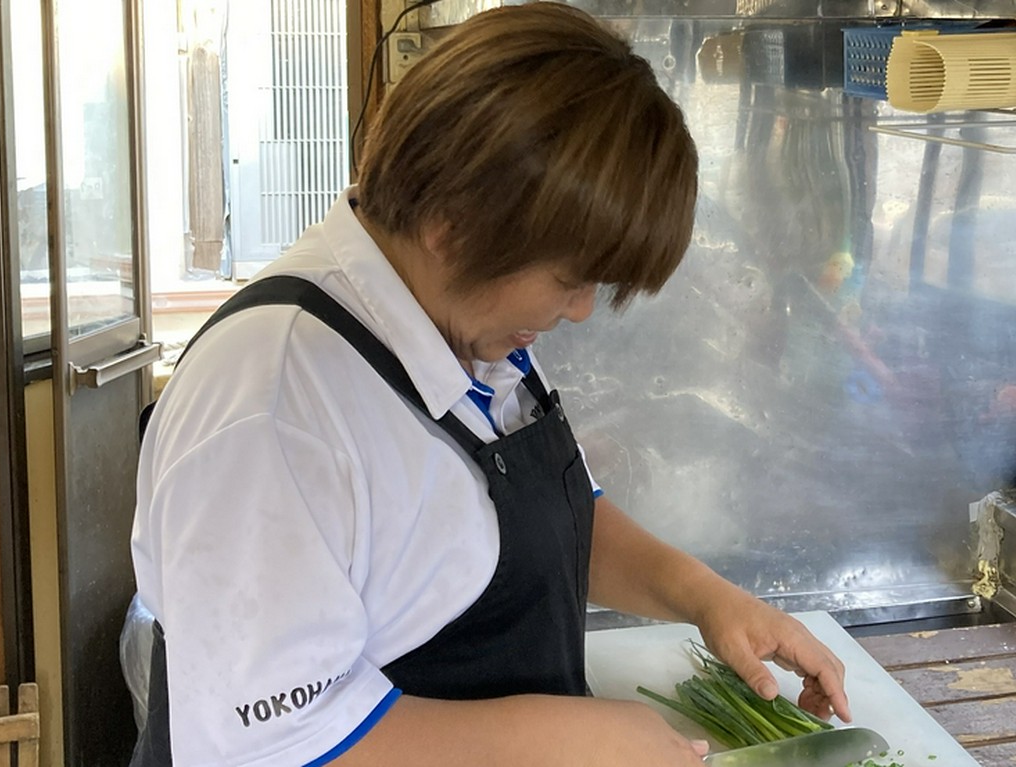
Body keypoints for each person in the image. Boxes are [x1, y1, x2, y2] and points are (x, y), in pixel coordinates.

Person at [129, 3, 851, 765]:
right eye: (571, 280)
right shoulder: (274, 409)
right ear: (453, 221)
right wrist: (577, 737)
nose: (577, 312)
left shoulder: (460, 322)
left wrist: (707, 598)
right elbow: (276, 744)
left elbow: (537, 522)